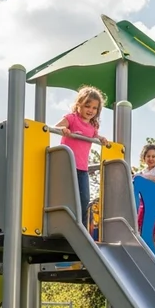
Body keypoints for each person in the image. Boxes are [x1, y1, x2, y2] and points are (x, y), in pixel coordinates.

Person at [54, 85, 110, 227]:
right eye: (87, 106)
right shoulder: (72, 118)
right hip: (67, 165)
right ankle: (65, 225)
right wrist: (64, 129)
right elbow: (56, 127)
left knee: (84, 199)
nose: (90, 110)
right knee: (67, 197)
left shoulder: (92, 126)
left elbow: (96, 136)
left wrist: (101, 139)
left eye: (94, 108)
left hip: (82, 168)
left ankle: (82, 228)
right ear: (79, 104)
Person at [136, 143, 155, 230]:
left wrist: (146, 177)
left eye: (153, 156)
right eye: (148, 156)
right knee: (141, 219)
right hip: (144, 200)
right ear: (144, 158)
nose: (151, 159)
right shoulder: (143, 172)